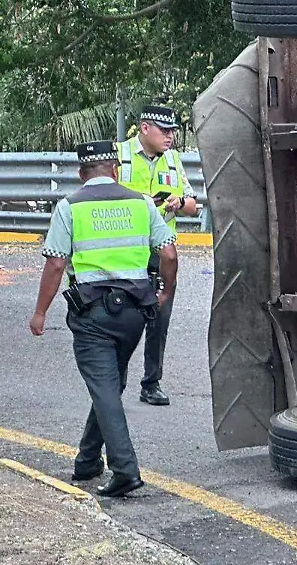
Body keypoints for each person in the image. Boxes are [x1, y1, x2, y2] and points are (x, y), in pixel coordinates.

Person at [29, 141, 178, 497]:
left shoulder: (70, 207)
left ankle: (125, 469)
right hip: (135, 314)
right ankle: (87, 461)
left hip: (93, 314)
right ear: (115, 170)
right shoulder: (142, 203)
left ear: (81, 174)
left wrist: (40, 312)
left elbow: (56, 264)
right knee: (109, 384)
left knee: (105, 388)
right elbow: (169, 254)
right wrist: (164, 294)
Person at [116, 105, 198, 407]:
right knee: (123, 320)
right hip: (127, 252)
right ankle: (116, 382)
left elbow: (194, 206)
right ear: (145, 128)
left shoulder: (173, 159)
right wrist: (141, 203)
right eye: (164, 131)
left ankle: (151, 383)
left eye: (173, 131)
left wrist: (179, 202)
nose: (170, 136)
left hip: (162, 253)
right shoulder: (120, 155)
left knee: (159, 319)